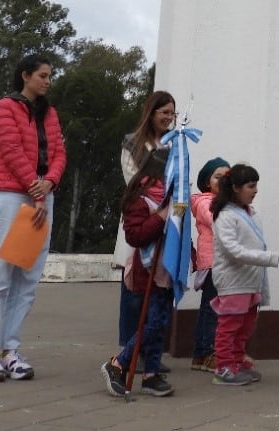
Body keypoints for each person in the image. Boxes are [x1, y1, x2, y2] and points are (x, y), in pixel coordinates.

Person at [0, 54, 67, 382]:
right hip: (11, 197)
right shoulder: (5, 107)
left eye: (50, 76)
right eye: (42, 75)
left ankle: (10, 349)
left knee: (27, 278)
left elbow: (59, 153)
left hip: (43, 199)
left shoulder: (51, 113)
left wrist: (51, 183)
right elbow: (11, 149)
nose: (47, 81)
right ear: (25, 76)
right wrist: (38, 192)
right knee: (0, 276)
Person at [102, 149, 175, 398]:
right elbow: (135, 235)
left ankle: (151, 374)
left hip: (166, 269)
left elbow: (177, 234)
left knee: (161, 322)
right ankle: (119, 363)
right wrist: (162, 217)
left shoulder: (170, 199)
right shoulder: (140, 199)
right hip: (147, 269)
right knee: (153, 323)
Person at [209, 164, 279, 387]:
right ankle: (224, 367)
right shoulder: (226, 216)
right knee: (229, 326)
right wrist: (266, 258)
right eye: (251, 186)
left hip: (249, 281)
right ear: (236, 188)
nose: (255, 190)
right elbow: (233, 250)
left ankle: (237, 362)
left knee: (246, 325)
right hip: (233, 281)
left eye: (255, 185)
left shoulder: (250, 213)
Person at [114, 91, 175, 329]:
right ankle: (129, 351)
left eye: (172, 113)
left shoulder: (174, 142)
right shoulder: (133, 143)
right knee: (134, 286)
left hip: (166, 220)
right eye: (165, 112)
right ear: (151, 113)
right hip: (140, 216)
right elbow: (132, 179)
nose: (169, 117)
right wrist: (158, 202)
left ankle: (151, 351)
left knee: (159, 286)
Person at [190, 155, 230, 372]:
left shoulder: (227, 203)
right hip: (213, 263)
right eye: (218, 177)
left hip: (224, 264)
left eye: (227, 177)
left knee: (218, 308)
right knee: (211, 309)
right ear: (207, 182)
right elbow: (217, 221)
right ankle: (205, 352)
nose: (223, 180)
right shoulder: (206, 201)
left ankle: (205, 352)